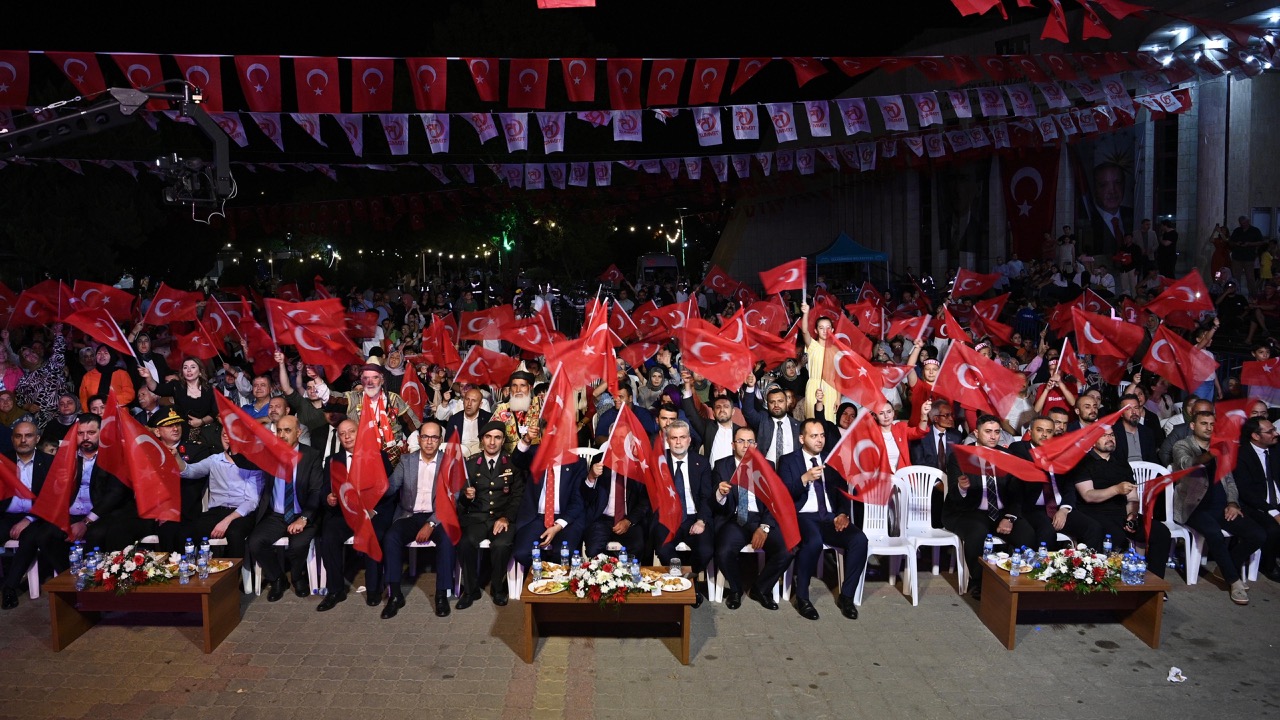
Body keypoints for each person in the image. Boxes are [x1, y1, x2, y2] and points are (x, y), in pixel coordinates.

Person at [1171, 411, 1265, 605]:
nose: (1209, 427)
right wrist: (1210, 454)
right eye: (1204, 423)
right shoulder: (1183, 445)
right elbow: (1187, 464)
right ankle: (1234, 581)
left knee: (1258, 534)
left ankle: (1225, 567)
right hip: (1193, 507)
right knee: (1214, 533)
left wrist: (1232, 503)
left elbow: (1230, 481)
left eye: (1212, 424)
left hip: (1221, 507)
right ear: (1192, 426)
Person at [779, 419, 868, 621]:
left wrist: (843, 513)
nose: (819, 440)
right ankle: (802, 598)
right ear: (802, 438)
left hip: (829, 516)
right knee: (814, 542)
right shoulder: (788, 461)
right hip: (803, 515)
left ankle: (846, 597)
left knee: (859, 540)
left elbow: (843, 491)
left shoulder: (832, 459)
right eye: (813, 436)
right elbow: (783, 495)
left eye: (822, 435)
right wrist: (804, 479)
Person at [942, 415, 1035, 600]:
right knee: (978, 532)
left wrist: (1009, 517)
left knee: (1027, 534)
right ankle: (979, 583)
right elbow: (953, 495)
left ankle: (1019, 582)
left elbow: (1017, 494)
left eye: (997, 432)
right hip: (967, 510)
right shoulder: (960, 455)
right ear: (976, 433)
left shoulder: (1007, 456)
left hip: (1001, 512)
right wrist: (962, 487)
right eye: (988, 432)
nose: (993, 436)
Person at [379, 419, 457, 619]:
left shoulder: (449, 462)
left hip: (438, 515)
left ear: (440, 440)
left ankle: (441, 594)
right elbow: (391, 488)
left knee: (447, 540)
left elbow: (452, 499)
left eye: (434, 437)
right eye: (425, 437)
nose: (429, 442)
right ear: (419, 439)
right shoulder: (407, 461)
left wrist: (431, 523)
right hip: (409, 514)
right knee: (391, 538)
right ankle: (395, 594)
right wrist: (373, 485)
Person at [1070, 423, 1171, 576]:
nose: (1110, 438)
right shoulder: (1082, 463)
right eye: (1105, 435)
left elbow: (1132, 497)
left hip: (1121, 514)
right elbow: (1088, 495)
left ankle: (1154, 584)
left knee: (1161, 532)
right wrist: (1116, 489)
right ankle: (1104, 580)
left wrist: (1133, 515)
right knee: (1116, 535)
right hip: (1094, 514)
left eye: (1112, 435)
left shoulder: (1122, 463)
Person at [711, 426, 794, 610]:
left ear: (755, 445)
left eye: (750, 441)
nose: (746, 445)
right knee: (723, 551)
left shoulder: (768, 466)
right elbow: (715, 506)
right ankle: (736, 589)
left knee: (788, 549)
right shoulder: (721, 465)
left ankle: (760, 589)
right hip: (734, 520)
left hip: (760, 518)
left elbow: (775, 502)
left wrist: (764, 527)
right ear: (733, 444)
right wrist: (720, 494)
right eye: (741, 441)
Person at [315, 419, 393, 611]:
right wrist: (329, 498)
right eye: (342, 433)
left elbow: (389, 490)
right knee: (329, 536)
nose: (347, 436)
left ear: (359, 434)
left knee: (372, 533)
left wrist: (373, 511)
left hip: (372, 512)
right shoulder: (333, 460)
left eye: (351, 431)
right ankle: (335, 590)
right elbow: (326, 489)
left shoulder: (377, 456)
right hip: (344, 513)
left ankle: (374, 589)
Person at [245, 415, 323, 602]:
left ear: (299, 432)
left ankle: (297, 578)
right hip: (277, 514)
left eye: (287, 431)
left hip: (302, 513)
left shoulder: (311, 455)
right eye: (279, 430)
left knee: (298, 544)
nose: (282, 435)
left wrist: (304, 518)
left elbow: (316, 491)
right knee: (255, 542)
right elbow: (245, 461)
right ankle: (277, 579)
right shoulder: (269, 454)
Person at [509, 426, 589, 597]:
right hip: (536, 516)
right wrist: (526, 440)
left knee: (562, 554)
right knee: (522, 553)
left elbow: (578, 501)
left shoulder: (577, 463)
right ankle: (549, 577)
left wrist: (557, 526)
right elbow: (516, 459)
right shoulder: (534, 454)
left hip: (566, 519)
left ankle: (556, 586)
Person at [169, 425, 266, 561]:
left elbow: (252, 501)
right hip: (215, 512)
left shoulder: (252, 464)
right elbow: (190, 471)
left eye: (231, 435)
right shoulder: (215, 460)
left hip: (240, 514)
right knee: (184, 533)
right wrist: (177, 457)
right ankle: (187, 571)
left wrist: (227, 520)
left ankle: (232, 579)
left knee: (235, 534)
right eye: (223, 434)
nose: (226, 437)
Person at [456, 420, 524, 608]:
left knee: (502, 544)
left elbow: (518, 496)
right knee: (465, 542)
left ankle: (498, 588)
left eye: (497, 438)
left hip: (502, 517)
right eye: (488, 437)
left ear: (503, 441)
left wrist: (506, 517)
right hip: (477, 517)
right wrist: (466, 497)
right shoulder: (470, 464)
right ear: (481, 440)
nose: (492, 442)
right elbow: (460, 503)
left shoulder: (512, 464)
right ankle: (470, 590)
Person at [1007, 416, 1103, 549]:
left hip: (1059, 506)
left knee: (1093, 528)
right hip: (1033, 508)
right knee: (1047, 532)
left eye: (1049, 431)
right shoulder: (1019, 449)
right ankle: (1042, 568)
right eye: (1040, 430)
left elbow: (1069, 485)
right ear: (1030, 432)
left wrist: (1064, 509)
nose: (1044, 435)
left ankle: (1083, 566)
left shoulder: (1060, 452)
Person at [650, 421, 714, 607]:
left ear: (689, 439)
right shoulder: (659, 463)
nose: (678, 442)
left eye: (682, 437)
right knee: (663, 548)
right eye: (674, 438)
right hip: (668, 517)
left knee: (706, 550)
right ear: (668, 440)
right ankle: (684, 586)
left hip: (694, 517)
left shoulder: (700, 463)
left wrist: (702, 521)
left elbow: (706, 496)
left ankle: (684, 581)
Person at [1233, 417, 1280, 582]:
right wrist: (1273, 512)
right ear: (1255, 436)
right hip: (1255, 505)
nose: (1276, 433)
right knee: (1273, 529)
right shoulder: (1242, 455)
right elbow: (1246, 492)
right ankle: (1270, 566)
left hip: (1277, 501)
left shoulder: (1276, 450)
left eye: (1274, 429)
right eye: (1270, 432)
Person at [142, 358, 221, 448]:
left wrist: (201, 421)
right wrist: (148, 376)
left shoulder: (211, 390)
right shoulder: (177, 386)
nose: (188, 370)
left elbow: (215, 412)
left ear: (200, 371)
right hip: (183, 433)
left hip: (208, 432)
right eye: (185, 367)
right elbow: (156, 388)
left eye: (193, 367)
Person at [681, 377, 740, 464]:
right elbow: (691, 414)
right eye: (718, 407)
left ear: (733, 411)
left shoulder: (739, 431)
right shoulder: (707, 428)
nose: (722, 410)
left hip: (734, 475)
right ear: (713, 412)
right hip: (711, 475)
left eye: (726, 407)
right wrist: (687, 384)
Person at [741, 383, 802, 468]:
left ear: (786, 402)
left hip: (791, 473)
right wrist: (751, 387)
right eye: (772, 402)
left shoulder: (798, 426)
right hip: (766, 473)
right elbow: (748, 411)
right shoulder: (762, 419)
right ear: (767, 404)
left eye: (780, 401)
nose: (776, 405)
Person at [799, 303, 837, 422]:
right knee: (813, 422)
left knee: (830, 422)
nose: (825, 331)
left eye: (828, 327)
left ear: (833, 330)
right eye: (821, 328)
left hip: (831, 388)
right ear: (816, 330)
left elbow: (838, 377)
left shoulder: (836, 350)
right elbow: (804, 331)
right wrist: (806, 313)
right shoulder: (812, 346)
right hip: (814, 387)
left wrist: (839, 399)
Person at [491, 370, 543, 454]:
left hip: (536, 457)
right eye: (514, 386)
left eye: (522, 385)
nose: (518, 390)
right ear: (510, 389)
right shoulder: (502, 409)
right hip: (509, 459)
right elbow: (491, 433)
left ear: (530, 387)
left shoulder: (540, 405)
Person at [1090, 162, 1133, 255]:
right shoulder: (1088, 218)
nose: (1112, 191)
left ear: (1124, 185)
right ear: (1094, 188)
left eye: (1117, 183)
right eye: (1103, 185)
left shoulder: (1132, 215)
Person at [77, 345, 134, 412]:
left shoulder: (121, 373)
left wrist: (109, 401)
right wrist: (90, 415)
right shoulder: (88, 376)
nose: (102, 356)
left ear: (111, 355)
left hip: (118, 414)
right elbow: (83, 399)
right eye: (99, 353)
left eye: (106, 353)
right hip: (95, 416)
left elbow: (129, 394)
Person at [445, 387, 492, 459]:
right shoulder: (454, 419)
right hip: (460, 455)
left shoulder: (488, 418)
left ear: (480, 404)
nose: (469, 404)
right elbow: (448, 443)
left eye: (474, 401)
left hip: (481, 454)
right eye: (467, 399)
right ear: (463, 401)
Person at [1229, 215, 1265, 297]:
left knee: (1250, 277)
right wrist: (1236, 243)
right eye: (1242, 223)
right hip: (1237, 257)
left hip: (1249, 257)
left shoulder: (1255, 230)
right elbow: (1230, 242)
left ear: (1248, 221)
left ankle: (1253, 295)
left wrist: (1250, 244)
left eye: (1245, 223)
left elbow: (1261, 242)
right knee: (1236, 277)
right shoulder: (1237, 230)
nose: (1243, 224)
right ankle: (1235, 294)